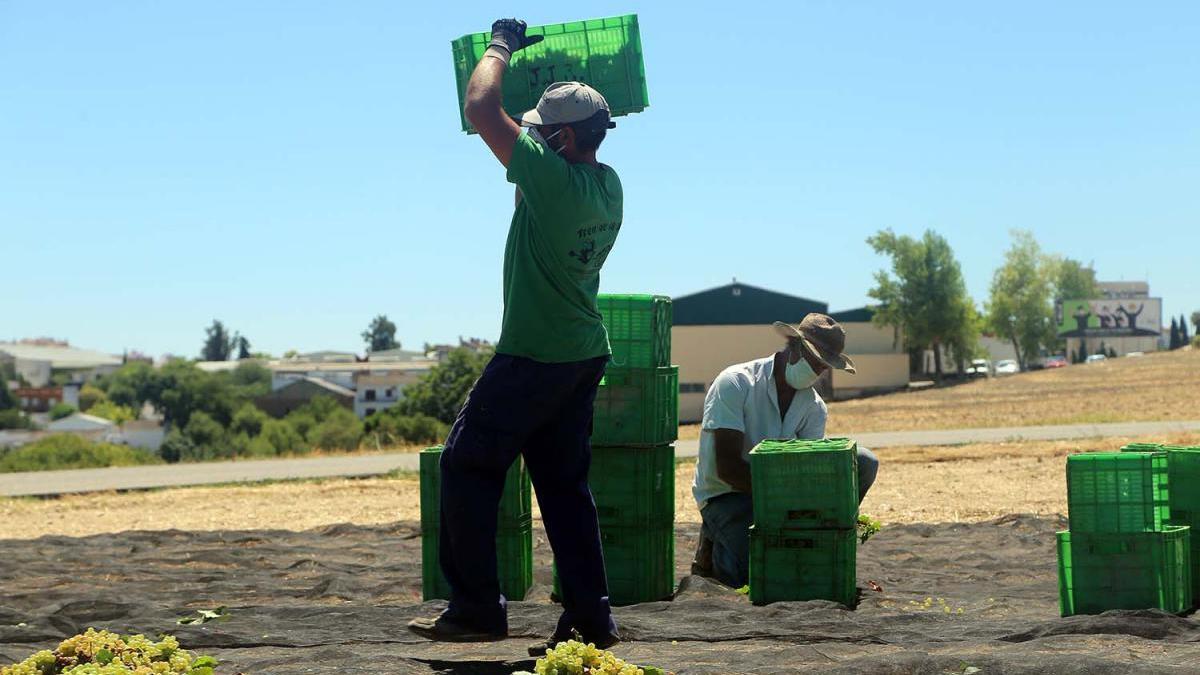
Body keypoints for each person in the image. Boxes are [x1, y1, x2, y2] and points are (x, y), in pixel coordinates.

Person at [407, 18, 624, 655]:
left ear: (559, 139)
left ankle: (476, 607)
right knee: (563, 489)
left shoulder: (551, 179)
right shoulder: (608, 186)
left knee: (468, 465)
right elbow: (545, 159)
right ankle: (590, 618)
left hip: (535, 355)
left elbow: (480, 106)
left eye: (542, 132)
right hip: (583, 354)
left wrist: (499, 45)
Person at [690, 314, 880, 589]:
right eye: (813, 361)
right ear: (793, 346)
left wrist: (812, 512)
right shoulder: (735, 383)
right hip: (727, 495)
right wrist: (784, 502)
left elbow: (810, 465)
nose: (816, 371)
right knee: (750, 576)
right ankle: (713, 537)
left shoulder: (813, 407)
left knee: (863, 461)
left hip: (780, 498)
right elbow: (727, 468)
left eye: (822, 367)